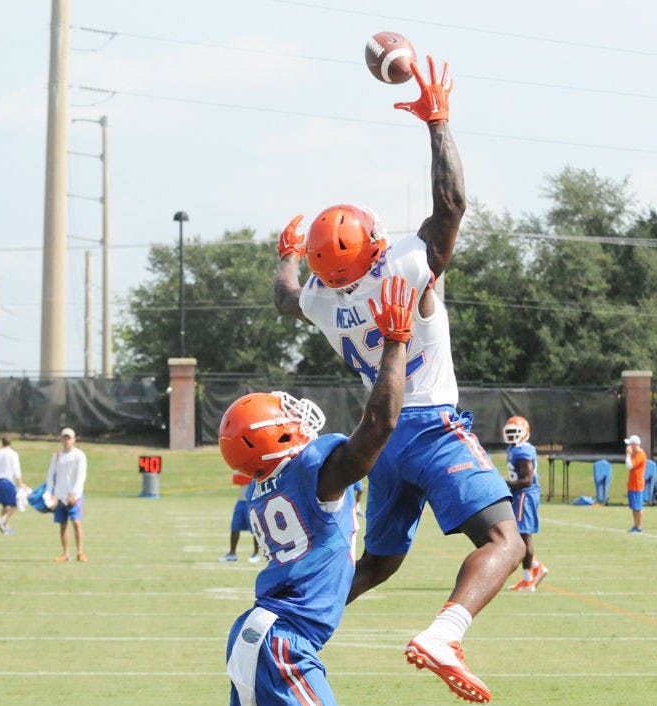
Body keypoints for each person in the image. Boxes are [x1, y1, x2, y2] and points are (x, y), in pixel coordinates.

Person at [272, 56, 522, 703]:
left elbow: (286, 295)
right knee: (506, 540)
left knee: (380, 562)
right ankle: (446, 631)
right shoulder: (407, 265)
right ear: (375, 243)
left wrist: (287, 257)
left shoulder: (322, 303)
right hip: (431, 421)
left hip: (377, 438)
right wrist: (437, 123)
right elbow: (453, 204)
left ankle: (294, 616)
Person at [223, 275, 413, 706]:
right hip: (283, 644)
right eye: (283, 418)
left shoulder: (262, 491)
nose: (295, 419)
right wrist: (395, 342)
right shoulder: (311, 471)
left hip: (258, 634)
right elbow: (379, 424)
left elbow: (353, 569)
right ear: (274, 438)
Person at [503, 416, 549, 591]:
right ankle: (536, 567)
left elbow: (527, 480)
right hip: (521, 494)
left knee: (523, 537)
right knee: (520, 536)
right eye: (510, 432)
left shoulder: (523, 452)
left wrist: (504, 483)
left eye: (516, 432)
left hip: (525, 494)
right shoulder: (513, 448)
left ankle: (528, 580)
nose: (513, 436)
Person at [45, 427, 88, 562]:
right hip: (59, 496)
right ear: (61, 439)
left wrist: (74, 494)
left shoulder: (79, 455)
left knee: (76, 522)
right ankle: (65, 553)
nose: (67, 440)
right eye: (65, 437)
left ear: (74, 439)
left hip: (74, 496)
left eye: (69, 438)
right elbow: (51, 476)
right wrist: (50, 494)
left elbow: (81, 476)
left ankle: (80, 552)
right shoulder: (57, 456)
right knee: (62, 525)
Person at [0, 437, 27, 535]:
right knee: (15, 505)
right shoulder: (13, 454)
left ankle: (5, 528)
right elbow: (16, 469)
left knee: (4, 505)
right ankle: (3, 520)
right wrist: (20, 483)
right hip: (8, 481)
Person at [220, 475, 260, 563]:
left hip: (252, 499)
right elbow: (238, 479)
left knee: (255, 528)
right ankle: (232, 554)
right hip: (241, 499)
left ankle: (255, 554)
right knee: (235, 526)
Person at [625, 434, 646, 533]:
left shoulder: (640, 455)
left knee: (638, 507)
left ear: (634, 445)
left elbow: (629, 465)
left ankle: (639, 527)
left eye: (630, 444)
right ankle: (635, 525)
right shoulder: (636, 455)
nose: (628, 446)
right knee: (634, 507)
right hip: (632, 485)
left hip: (637, 485)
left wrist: (628, 454)